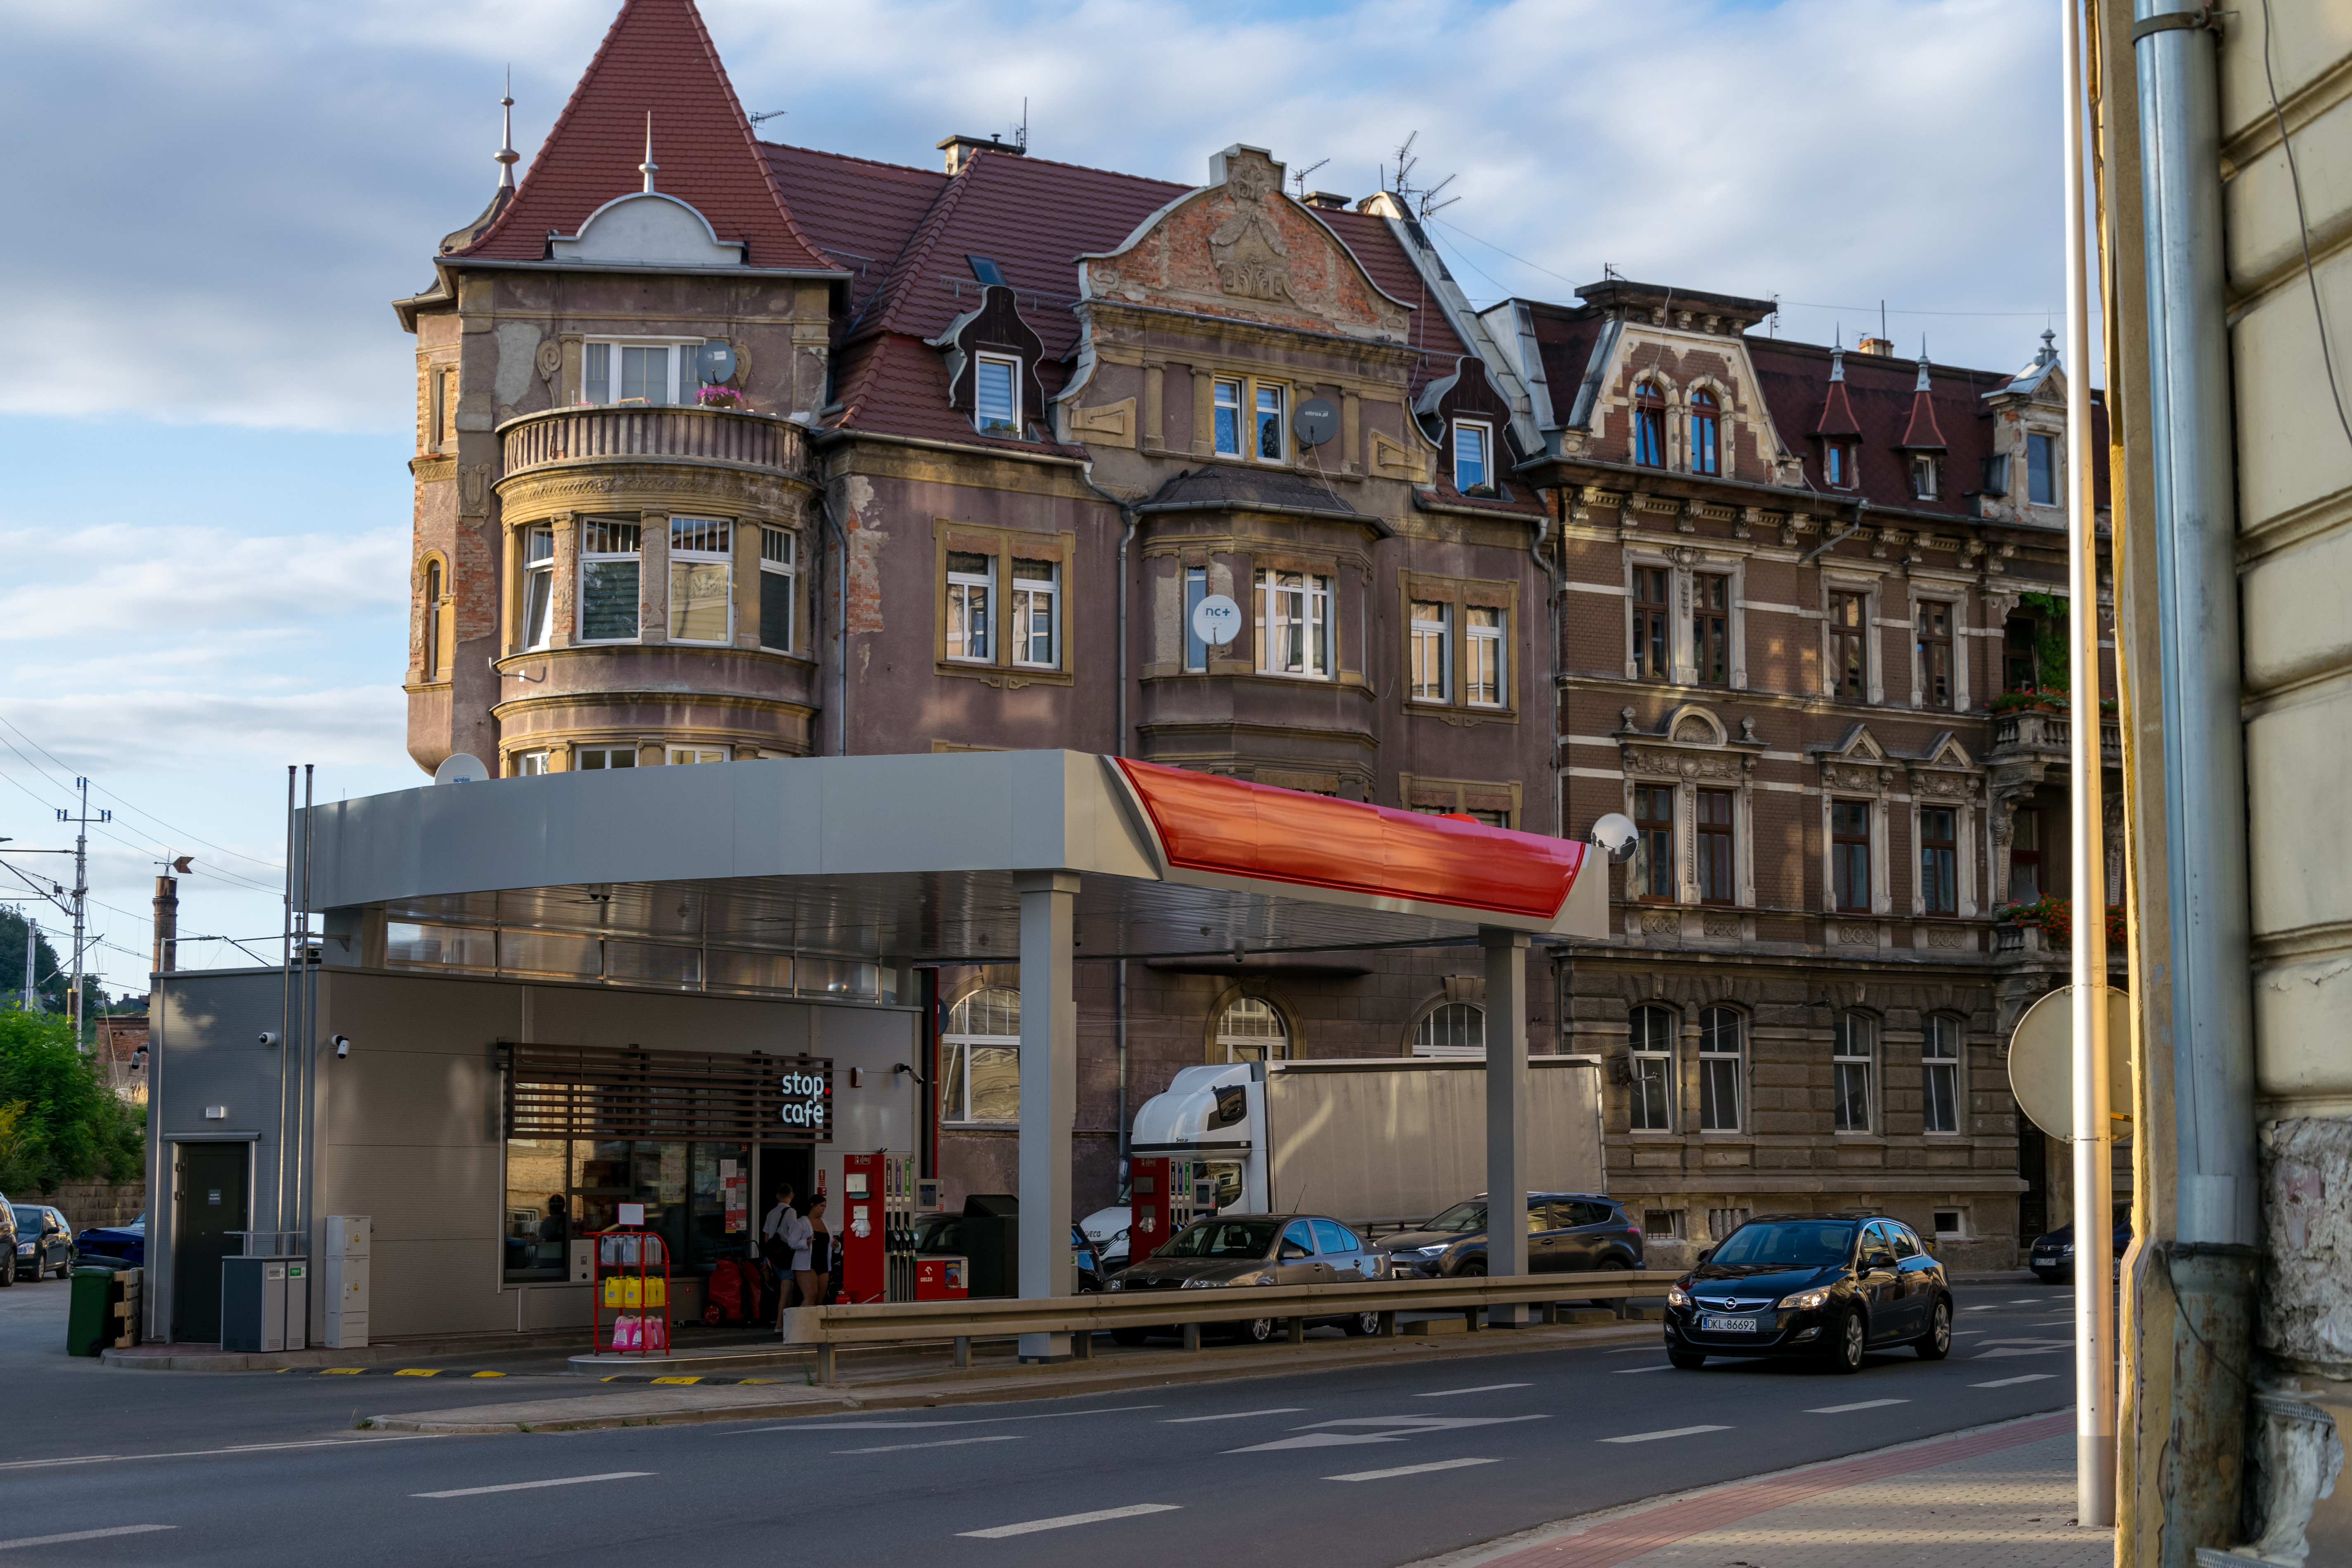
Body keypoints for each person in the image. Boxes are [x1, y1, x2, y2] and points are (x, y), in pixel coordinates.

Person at [759, 1182, 800, 1316]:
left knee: (788, 1286)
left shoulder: (771, 1213)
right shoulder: (791, 1212)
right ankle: (780, 1322)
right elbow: (794, 1234)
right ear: (792, 1195)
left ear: (777, 1196)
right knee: (786, 1288)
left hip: (773, 1256)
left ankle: (788, 1319)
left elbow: (766, 1238)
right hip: (785, 1256)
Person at [795, 1196, 833, 1310]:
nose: (824, 1209)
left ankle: (815, 1327)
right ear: (813, 1205)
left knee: (819, 1301)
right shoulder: (801, 1223)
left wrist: (837, 1246)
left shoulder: (826, 1224)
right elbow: (791, 1242)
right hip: (807, 1264)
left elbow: (830, 1242)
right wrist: (804, 1242)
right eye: (822, 1206)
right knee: (811, 1296)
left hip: (823, 1264)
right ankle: (802, 1325)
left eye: (825, 1207)